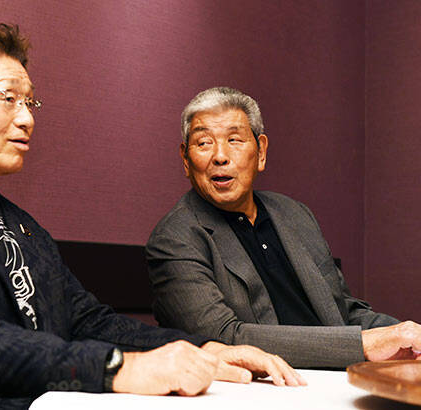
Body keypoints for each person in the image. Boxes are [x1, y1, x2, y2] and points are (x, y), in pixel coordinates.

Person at [0, 26, 304, 409]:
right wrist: (118, 369)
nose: (27, 118)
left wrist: (204, 348)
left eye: (29, 102)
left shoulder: (20, 224)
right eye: (7, 97)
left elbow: (86, 320)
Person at [146, 86, 421, 369]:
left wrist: (405, 336)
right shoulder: (175, 238)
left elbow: (342, 311)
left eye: (234, 140)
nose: (220, 156)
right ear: (185, 159)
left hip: (343, 376)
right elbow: (225, 338)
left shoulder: (294, 214)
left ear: (261, 152)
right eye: (204, 143)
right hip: (268, 384)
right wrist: (361, 345)